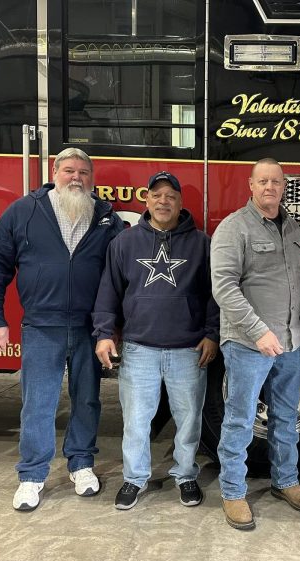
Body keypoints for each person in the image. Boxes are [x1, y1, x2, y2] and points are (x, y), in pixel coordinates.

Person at [0, 147, 124, 511]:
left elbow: (122, 275)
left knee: (88, 399)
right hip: (42, 325)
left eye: (84, 173)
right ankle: (31, 475)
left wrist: (116, 325)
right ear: (54, 173)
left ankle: (81, 464)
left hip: (90, 327)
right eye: (69, 171)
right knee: (38, 403)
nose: (76, 178)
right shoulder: (24, 211)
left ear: (92, 179)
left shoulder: (106, 217)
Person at [211, 158, 300, 530]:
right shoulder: (233, 229)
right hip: (249, 345)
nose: (270, 187)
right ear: (250, 185)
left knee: (286, 418)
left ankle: (286, 482)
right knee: (239, 420)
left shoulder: (291, 228)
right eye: (262, 181)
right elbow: (224, 287)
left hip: (289, 342)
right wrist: (258, 332)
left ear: (284, 186)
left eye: (276, 182)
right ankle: (233, 492)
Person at [93, 171, 219, 511]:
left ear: (180, 203)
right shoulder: (124, 243)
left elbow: (213, 296)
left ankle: (185, 473)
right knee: (136, 420)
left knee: (189, 419)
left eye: (171, 196)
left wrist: (211, 334)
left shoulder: (202, 244)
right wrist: (104, 334)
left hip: (188, 350)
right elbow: (108, 292)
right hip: (139, 349)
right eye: (157, 195)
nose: (164, 201)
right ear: (146, 200)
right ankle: (134, 478)